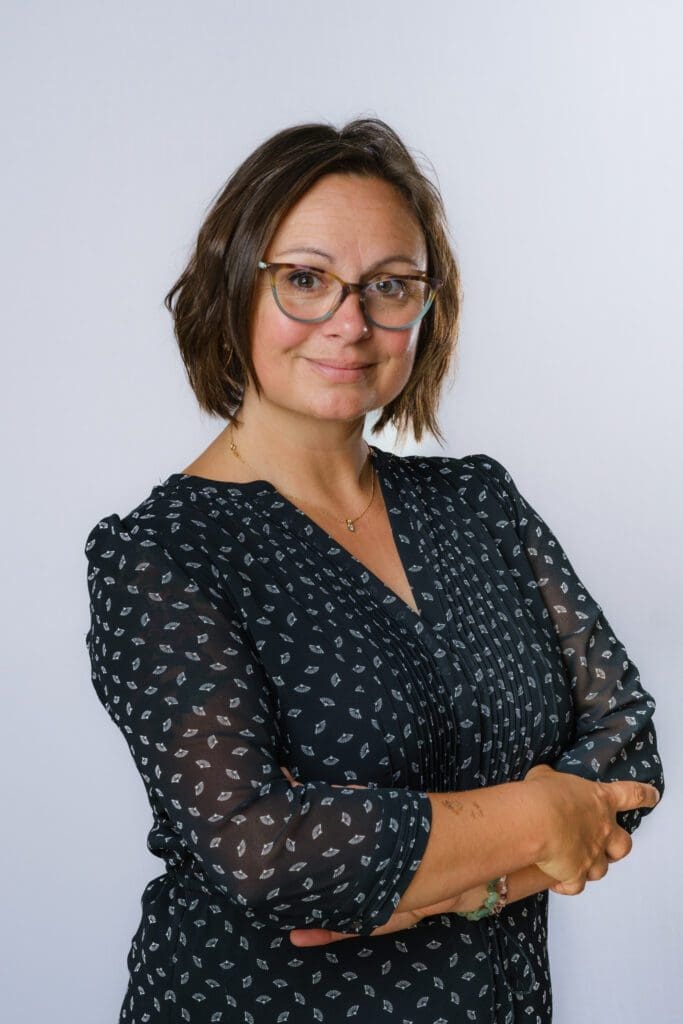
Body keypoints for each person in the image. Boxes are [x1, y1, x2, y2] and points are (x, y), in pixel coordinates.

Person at [84, 117, 664, 1024]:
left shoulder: (478, 503)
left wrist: (429, 884)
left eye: (389, 285)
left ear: (424, 307)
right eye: (305, 280)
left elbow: (624, 741)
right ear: (233, 284)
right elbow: (267, 856)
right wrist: (539, 818)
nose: (349, 324)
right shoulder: (161, 554)